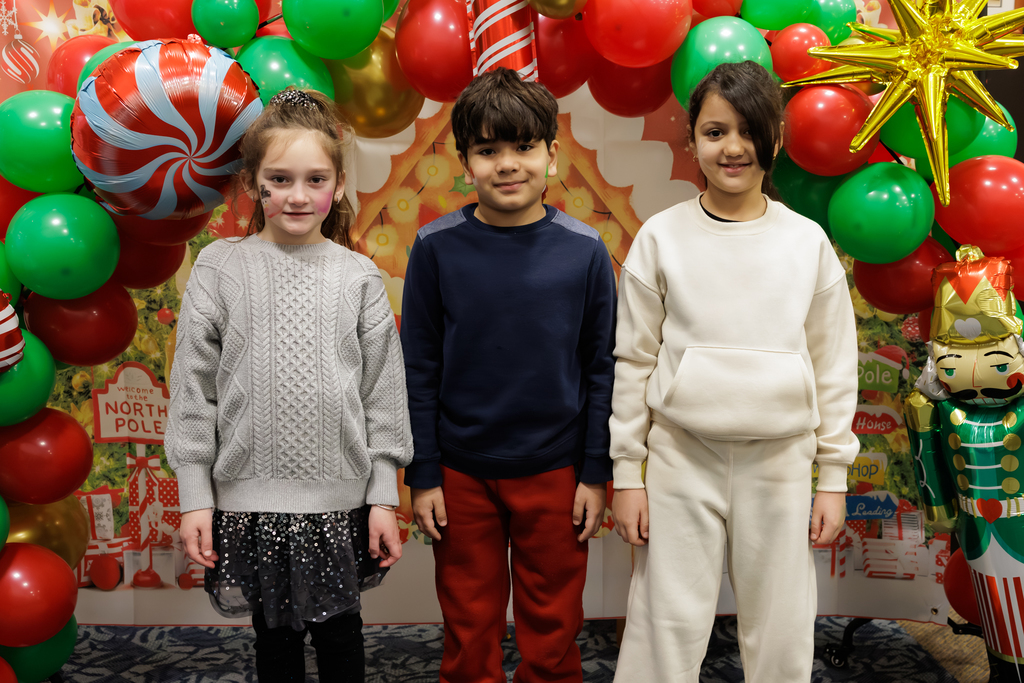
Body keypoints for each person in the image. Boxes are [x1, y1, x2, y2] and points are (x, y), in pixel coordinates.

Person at [609, 61, 858, 682]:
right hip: (678, 457)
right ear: (691, 140)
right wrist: (626, 474)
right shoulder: (660, 238)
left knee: (781, 626)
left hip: (781, 462)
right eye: (716, 132)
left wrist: (832, 479)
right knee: (664, 622)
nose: (734, 147)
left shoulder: (808, 243)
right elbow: (634, 361)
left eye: (751, 130)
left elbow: (833, 367)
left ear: (775, 137)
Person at [166, 88, 412, 683]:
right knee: (274, 643)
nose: (299, 196)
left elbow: (384, 394)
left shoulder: (357, 275)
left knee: (341, 641)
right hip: (251, 503)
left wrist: (383, 495)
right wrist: (196, 494)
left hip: (339, 502)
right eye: (280, 179)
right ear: (252, 184)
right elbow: (193, 392)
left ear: (339, 183)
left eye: (315, 179)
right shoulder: (220, 268)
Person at [400, 67, 617, 683]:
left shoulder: (585, 250)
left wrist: (596, 471)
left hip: (557, 468)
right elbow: (418, 367)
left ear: (552, 154)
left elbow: (603, 368)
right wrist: (425, 473)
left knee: (553, 625)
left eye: (523, 147)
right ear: (464, 163)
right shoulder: (435, 247)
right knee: (469, 622)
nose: (507, 164)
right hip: (461, 473)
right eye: (488, 150)